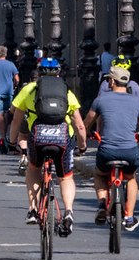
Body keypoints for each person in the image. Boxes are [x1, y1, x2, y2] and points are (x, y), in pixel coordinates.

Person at [9, 57, 86, 236]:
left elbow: (15, 121)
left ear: (39, 72)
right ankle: (68, 212)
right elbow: (80, 125)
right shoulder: (66, 92)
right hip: (62, 139)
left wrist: (12, 143)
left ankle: (33, 210)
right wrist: (82, 147)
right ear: (59, 73)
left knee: (34, 170)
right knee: (65, 178)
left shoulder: (29, 90)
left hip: (38, 138)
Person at [83, 65, 139, 232]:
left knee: (99, 174)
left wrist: (88, 134)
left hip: (107, 152)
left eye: (108, 79)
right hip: (129, 152)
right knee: (132, 178)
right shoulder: (136, 101)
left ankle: (101, 204)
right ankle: (129, 216)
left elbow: (86, 124)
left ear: (112, 81)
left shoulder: (100, 100)